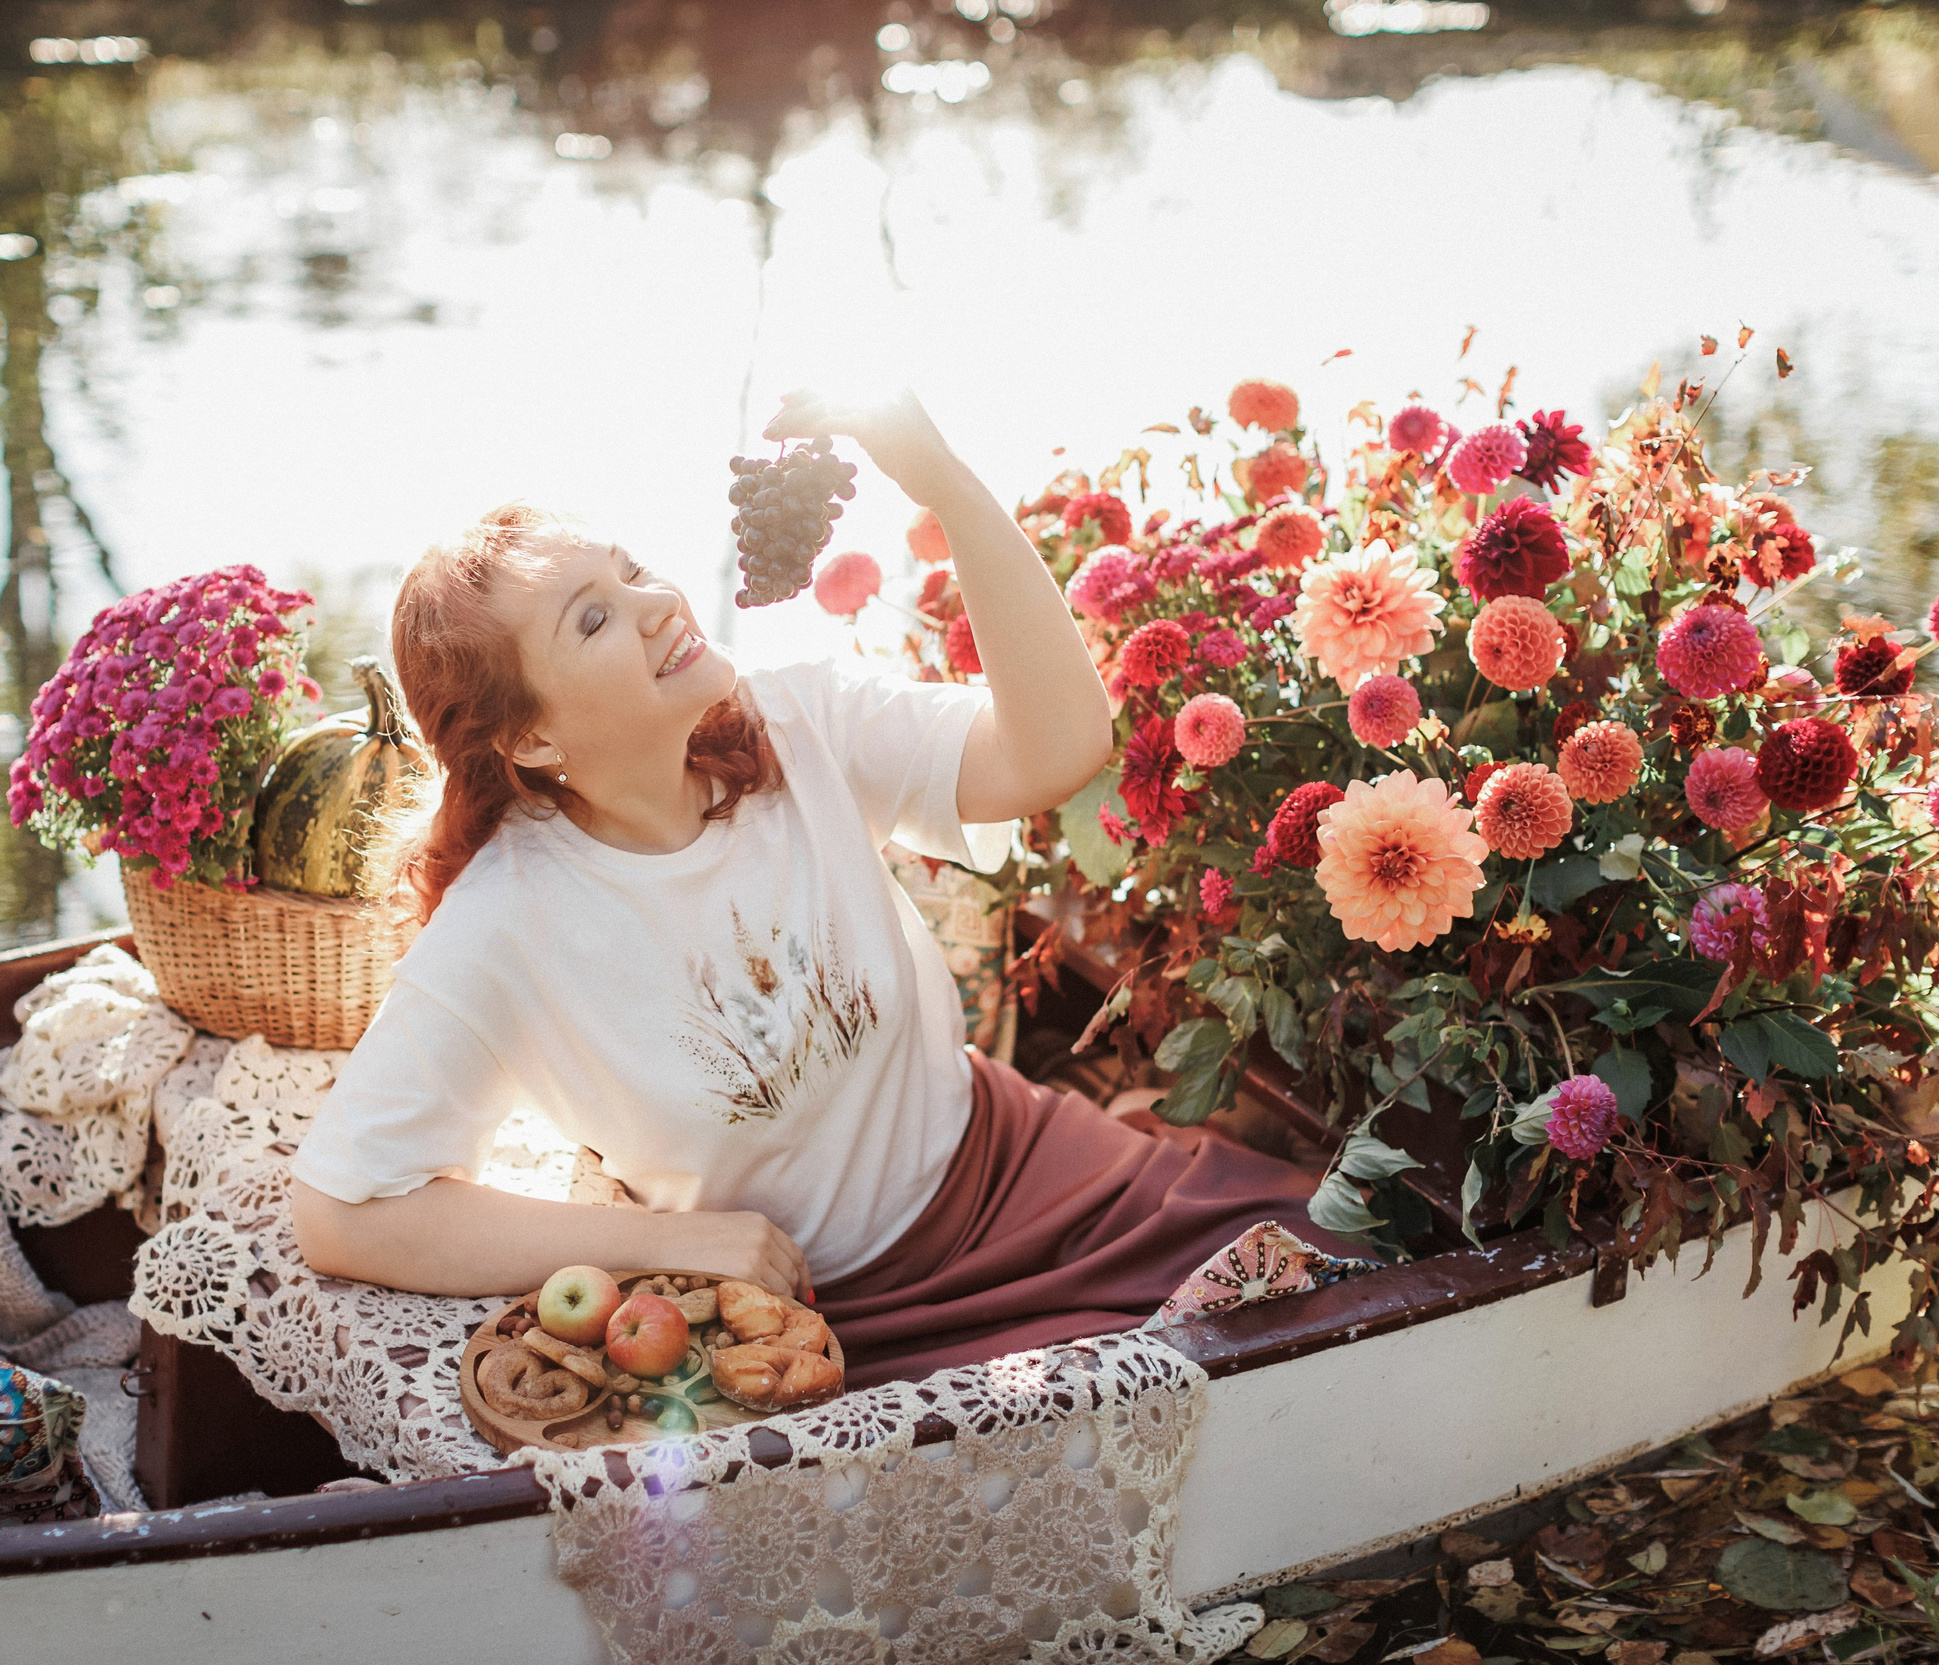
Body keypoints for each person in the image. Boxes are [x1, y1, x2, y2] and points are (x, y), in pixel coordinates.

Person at [290, 392, 1349, 1386]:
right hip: (821, 1311)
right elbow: (343, 1212)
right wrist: (669, 1242)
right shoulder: (506, 924)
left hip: (1021, 1168)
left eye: (633, 570)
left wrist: (939, 479)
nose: (657, 604)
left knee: (1340, 1269)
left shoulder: (799, 724)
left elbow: (1058, 747)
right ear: (528, 738)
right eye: (594, 619)